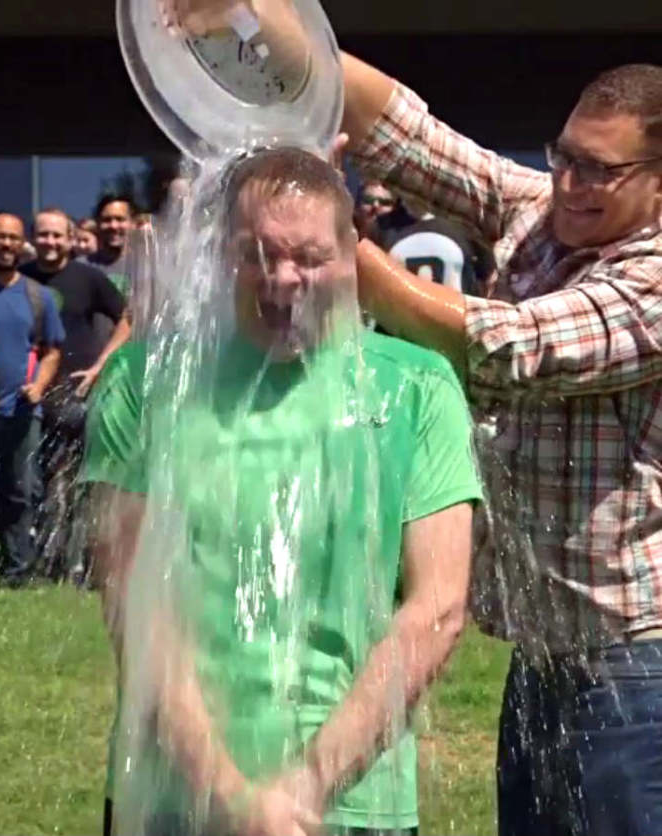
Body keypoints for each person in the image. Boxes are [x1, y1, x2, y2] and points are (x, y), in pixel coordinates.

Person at [83, 148, 480, 836]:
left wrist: (306, 786)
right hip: (175, 796)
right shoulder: (152, 381)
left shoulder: (415, 387)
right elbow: (135, 603)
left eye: (311, 256)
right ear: (219, 254)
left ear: (355, 256)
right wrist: (233, 793)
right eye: (256, 252)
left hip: (354, 803)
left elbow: (437, 610)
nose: (283, 276)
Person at [338, 53, 662, 834]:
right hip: (544, 655)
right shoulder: (544, 218)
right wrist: (265, 22)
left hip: (636, 671)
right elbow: (412, 139)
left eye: (599, 170)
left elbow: (508, 344)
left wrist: (339, 254)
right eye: (564, 158)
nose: (570, 185)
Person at [20, 208, 129, 578]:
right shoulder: (22, 277)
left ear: (70, 239)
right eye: (43, 235)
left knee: (83, 482)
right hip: (32, 393)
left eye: (57, 235)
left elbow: (129, 316)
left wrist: (102, 365)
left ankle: (81, 561)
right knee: (45, 480)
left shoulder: (89, 278)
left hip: (78, 391)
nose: (49, 242)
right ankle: (48, 559)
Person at [0, 213, 64, 592]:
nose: (6, 244)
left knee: (19, 491)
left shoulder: (38, 296)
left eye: (13, 238)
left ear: (23, 244)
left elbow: (53, 349)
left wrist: (39, 386)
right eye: (0, 237)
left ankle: (18, 570)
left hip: (23, 412)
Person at [82, 194, 136, 296]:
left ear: (132, 223)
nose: (113, 226)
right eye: (107, 220)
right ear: (98, 224)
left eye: (120, 219)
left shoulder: (148, 266)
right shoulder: (82, 268)